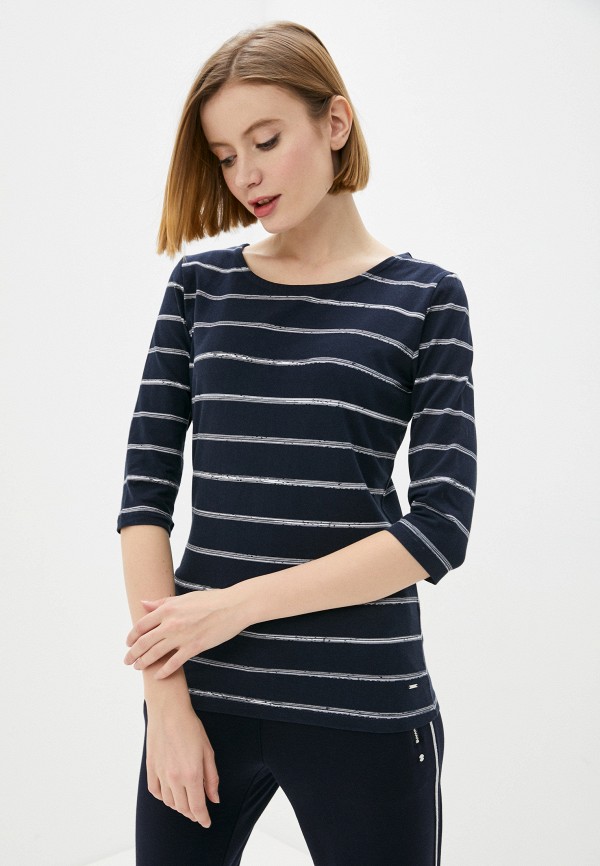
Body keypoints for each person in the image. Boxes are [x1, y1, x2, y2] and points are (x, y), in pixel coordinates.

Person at [117, 19, 477, 866]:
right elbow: (143, 499)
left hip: (364, 706)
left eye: (266, 141)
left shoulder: (426, 298)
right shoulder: (199, 288)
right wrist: (165, 701)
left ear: (335, 123)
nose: (245, 175)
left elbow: (439, 529)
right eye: (224, 156)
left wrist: (233, 605)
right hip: (202, 699)